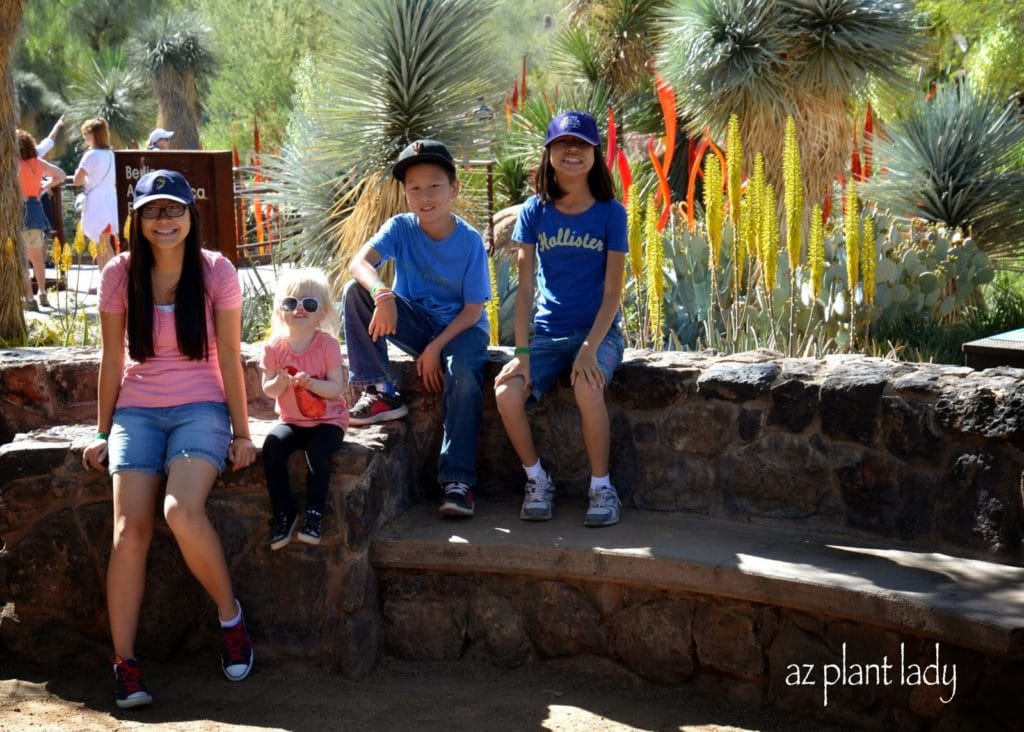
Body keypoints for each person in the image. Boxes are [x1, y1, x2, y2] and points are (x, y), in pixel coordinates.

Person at [81, 169, 257, 709]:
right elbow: (113, 359)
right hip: (137, 410)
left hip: (200, 408)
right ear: (138, 218)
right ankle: (125, 663)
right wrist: (103, 430)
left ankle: (231, 619)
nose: (165, 220)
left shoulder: (216, 271)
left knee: (181, 511)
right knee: (128, 530)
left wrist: (245, 433)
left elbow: (229, 355)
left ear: (190, 215)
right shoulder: (118, 273)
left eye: (174, 209)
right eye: (154, 210)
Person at [493, 110, 628, 528]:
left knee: (588, 388)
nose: (573, 151)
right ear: (549, 153)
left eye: (582, 144)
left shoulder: (611, 213)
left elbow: (612, 292)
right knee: (507, 393)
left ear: (595, 155)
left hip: (599, 333)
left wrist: (589, 349)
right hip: (547, 335)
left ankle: (602, 488)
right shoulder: (535, 212)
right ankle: (537, 479)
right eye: (563, 144)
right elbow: (526, 288)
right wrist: (521, 351)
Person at [342, 140, 490, 518]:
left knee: (463, 375)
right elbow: (360, 262)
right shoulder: (401, 228)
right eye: (415, 188)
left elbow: (474, 310)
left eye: (434, 186)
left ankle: (458, 482)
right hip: (418, 322)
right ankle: (381, 392)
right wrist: (382, 292)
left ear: (454, 189)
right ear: (405, 194)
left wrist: (436, 347)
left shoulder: (470, 241)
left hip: (462, 330)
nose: (425, 196)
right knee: (354, 292)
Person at [261, 268, 348, 549]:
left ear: (321, 312)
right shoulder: (274, 348)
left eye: (308, 304)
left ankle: (314, 513)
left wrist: (311, 385)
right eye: (290, 303)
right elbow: (268, 389)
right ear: (279, 310)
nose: (299, 309)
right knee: (273, 446)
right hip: (292, 421)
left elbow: (336, 388)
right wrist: (280, 382)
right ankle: (283, 513)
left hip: (328, 421)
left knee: (317, 451)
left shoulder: (328, 345)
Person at [17, 129, 65, 310]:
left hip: (20, 209)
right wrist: (46, 184)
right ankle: (43, 293)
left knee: (22, 259)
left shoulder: (14, 164)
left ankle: (30, 299)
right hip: (36, 207)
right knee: (37, 258)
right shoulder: (37, 163)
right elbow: (60, 174)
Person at [73, 118, 118, 271]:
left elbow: (77, 180)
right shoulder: (111, 154)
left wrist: (86, 180)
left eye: (87, 134)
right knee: (104, 243)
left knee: (102, 244)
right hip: (110, 200)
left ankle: (109, 279)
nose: (85, 137)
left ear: (95, 135)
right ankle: (107, 279)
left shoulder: (91, 155)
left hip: (97, 202)